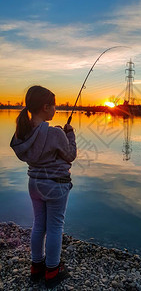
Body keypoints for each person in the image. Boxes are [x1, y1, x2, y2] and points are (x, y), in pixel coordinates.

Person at [10, 85, 77, 289]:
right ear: (46, 107)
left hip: (34, 184)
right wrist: (70, 134)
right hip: (56, 185)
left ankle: (36, 266)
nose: (56, 109)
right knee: (55, 226)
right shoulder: (55, 134)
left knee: (39, 224)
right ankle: (52, 270)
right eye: (54, 105)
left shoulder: (23, 133)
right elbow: (70, 155)